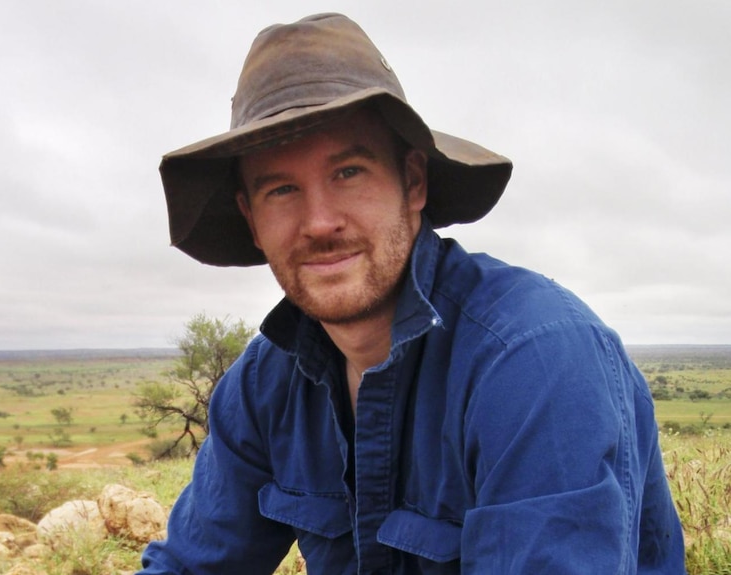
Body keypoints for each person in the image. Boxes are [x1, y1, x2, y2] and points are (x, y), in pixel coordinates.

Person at [139, 13, 685, 575]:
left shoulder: (535, 362)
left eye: (348, 172)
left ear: (414, 182)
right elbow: (190, 564)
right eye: (281, 189)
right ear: (251, 219)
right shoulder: (262, 387)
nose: (320, 222)